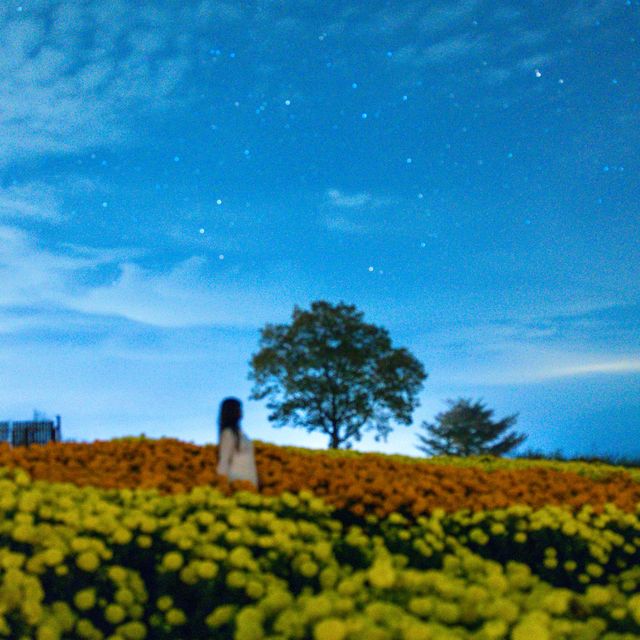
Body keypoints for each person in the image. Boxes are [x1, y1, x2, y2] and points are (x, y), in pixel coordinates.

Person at [216, 397, 258, 488]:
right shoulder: (228, 434)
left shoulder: (241, 434)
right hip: (237, 482)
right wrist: (221, 483)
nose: (241, 411)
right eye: (239, 409)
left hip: (249, 481)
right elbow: (224, 460)